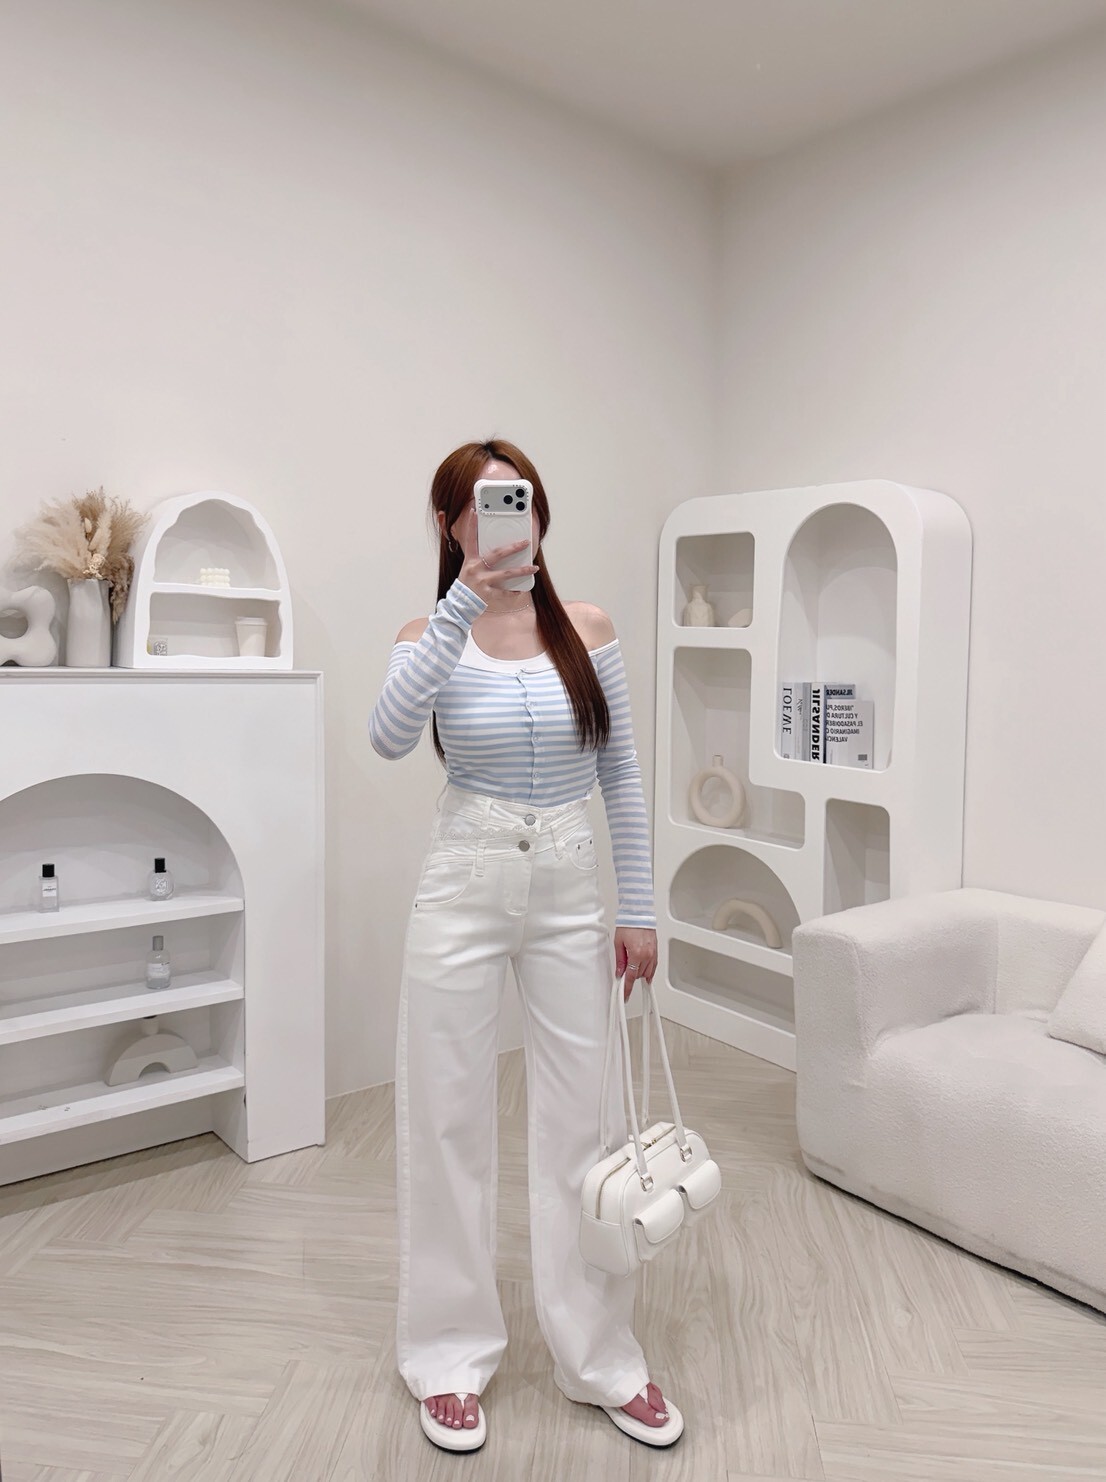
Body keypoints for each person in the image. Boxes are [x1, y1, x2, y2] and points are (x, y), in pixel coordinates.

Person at [368, 439, 683, 1453]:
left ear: (542, 515)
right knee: (447, 1118)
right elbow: (387, 735)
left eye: (525, 502)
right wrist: (461, 602)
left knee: (583, 1126)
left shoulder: (586, 628)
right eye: (489, 504)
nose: (515, 520)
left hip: (569, 886)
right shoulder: (428, 634)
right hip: (461, 883)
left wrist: (639, 909)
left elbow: (620, 773)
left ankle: (600, 1357)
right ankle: (447, 1355)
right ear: (451, 523)